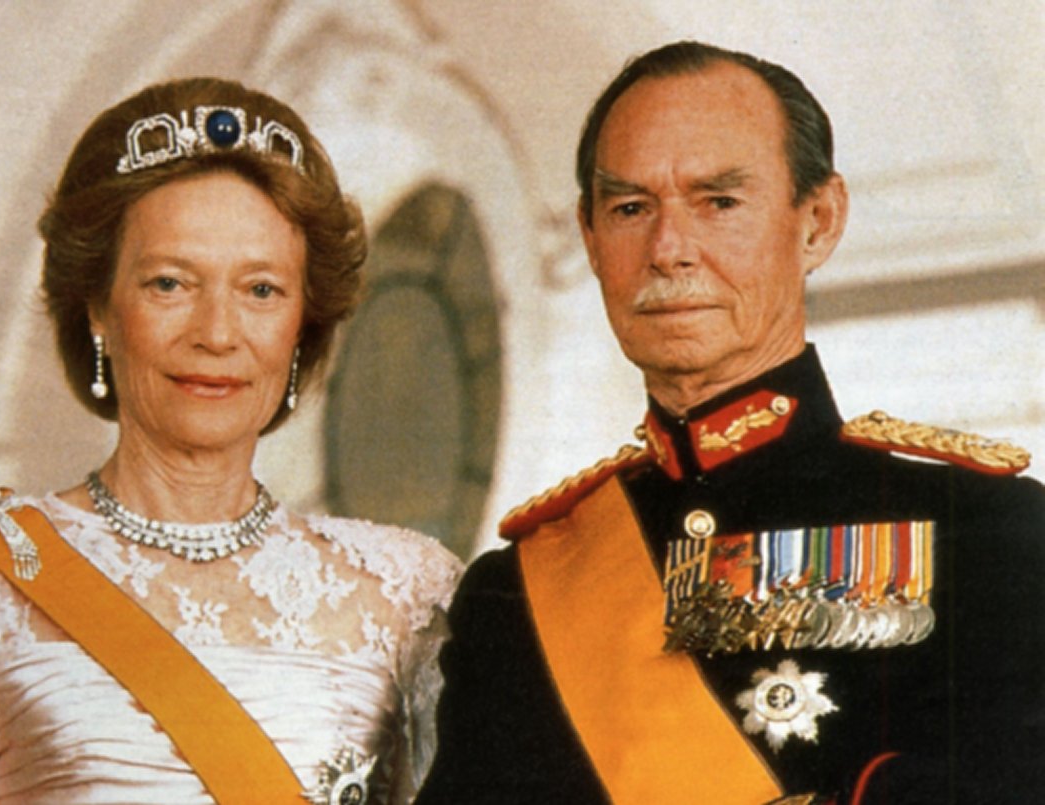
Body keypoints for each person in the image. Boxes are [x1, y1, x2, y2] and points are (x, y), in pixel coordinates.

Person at [417, 41, 1044, 805]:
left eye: (719, 201)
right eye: (629, 208)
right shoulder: (512, 595)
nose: (669, 249)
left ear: (817, 221)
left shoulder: (988, 533)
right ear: (589, 237)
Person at [0, 77, 461, 805]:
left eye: (260, 291)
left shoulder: (406, 593)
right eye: (169, 284)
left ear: (303, 324)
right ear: (96, 307)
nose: (216, 334)